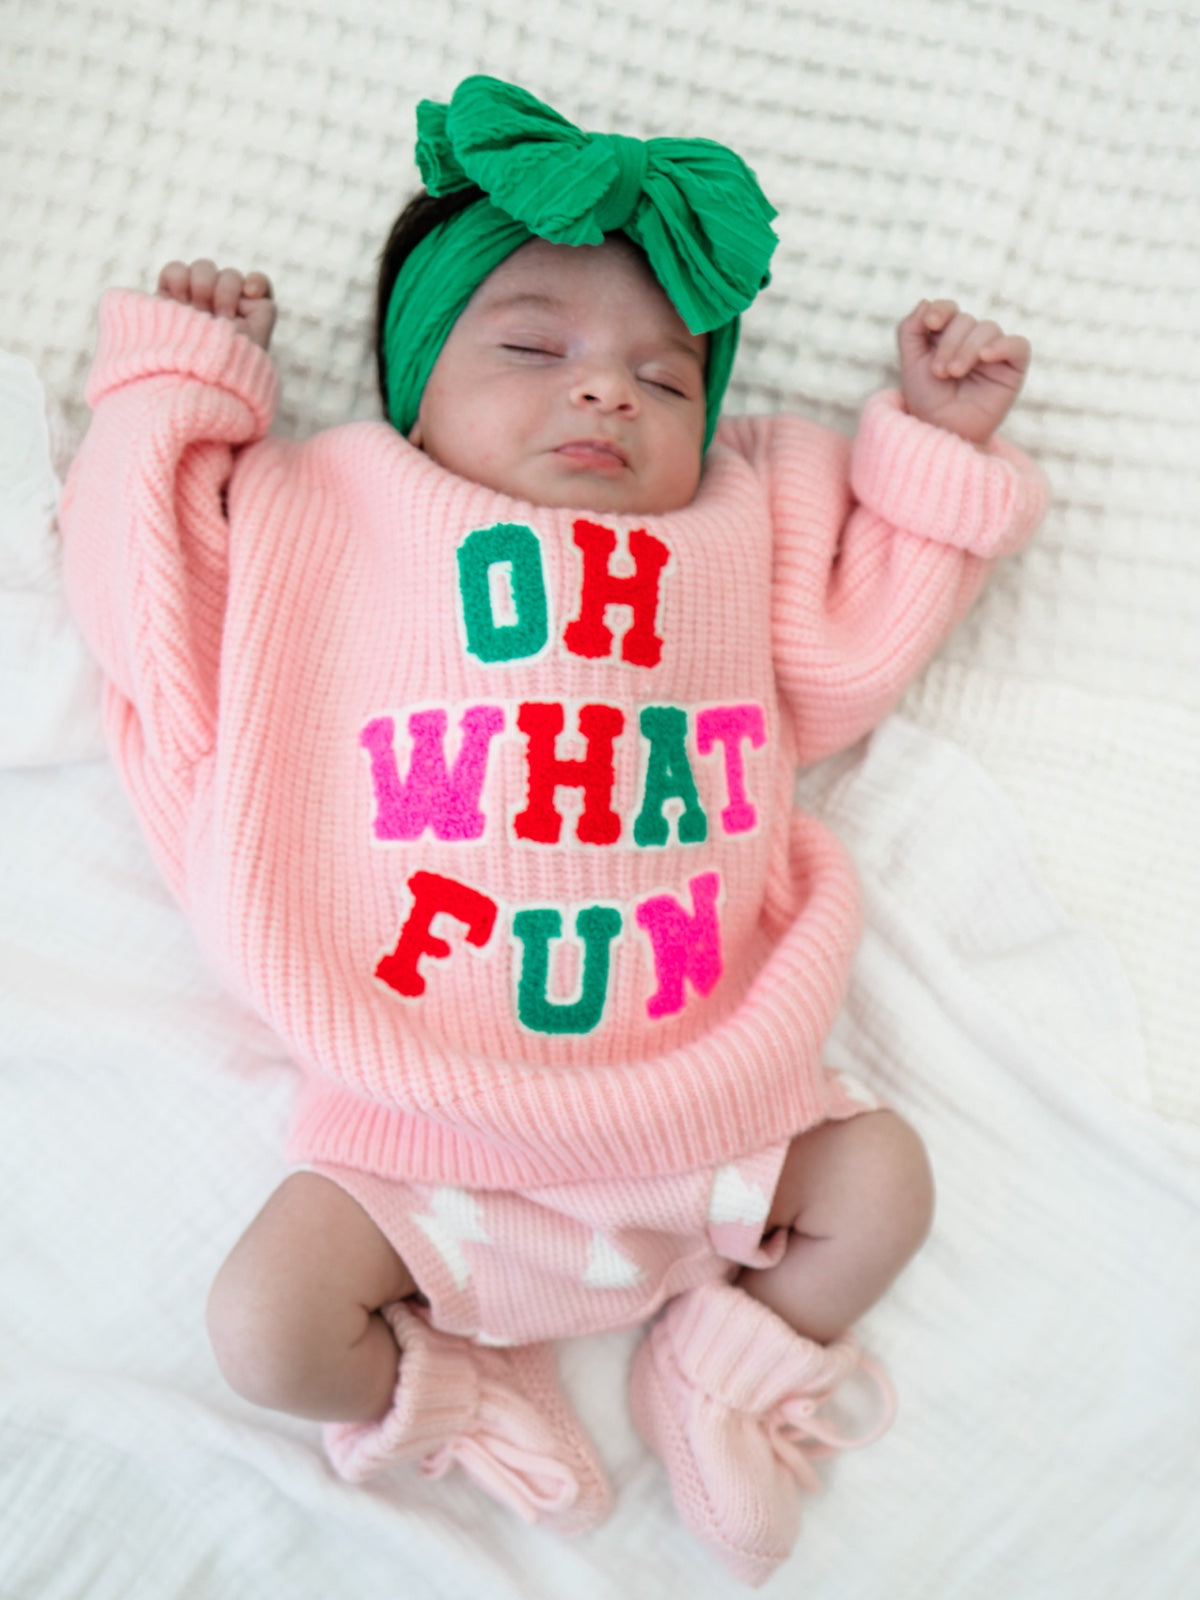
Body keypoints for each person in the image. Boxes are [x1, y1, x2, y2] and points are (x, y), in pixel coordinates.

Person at [61, 75, 1046, 1586]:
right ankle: (458, 1389)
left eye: (666, 381)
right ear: (413, 381)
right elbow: (156, 614)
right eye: (534, 347)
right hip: (428, 1125)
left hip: (713, 1104)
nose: (607, 391)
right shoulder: (332, 510)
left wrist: (929, 454)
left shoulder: (733, 521)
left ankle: (723, 1365)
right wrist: (182, 389)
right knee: (267, 1328)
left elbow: (849, 664)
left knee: (885, 1184)